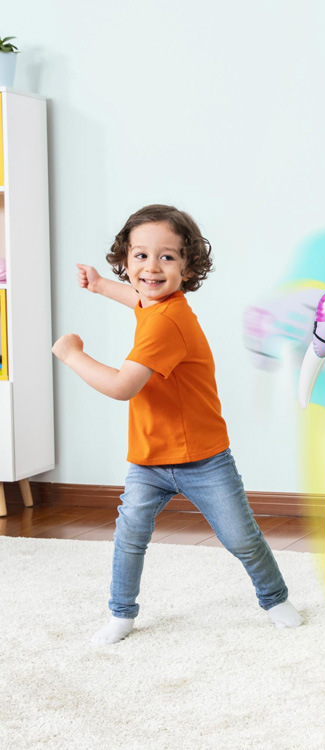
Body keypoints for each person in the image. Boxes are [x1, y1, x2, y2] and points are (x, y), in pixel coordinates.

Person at [52, 204, 302, 644]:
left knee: (241, 538)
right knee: (130, 535)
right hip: (150, 458)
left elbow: (122, 387)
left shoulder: (167, 322)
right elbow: (138, 299)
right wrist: (101, 285)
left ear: (187, 268)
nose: (152, 267)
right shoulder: (157, 305)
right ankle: (121, 613)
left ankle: (275, 597)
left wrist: (73, 355)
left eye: (166, 257)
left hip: (203, 459)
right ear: (126, 260)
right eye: (140, 256)